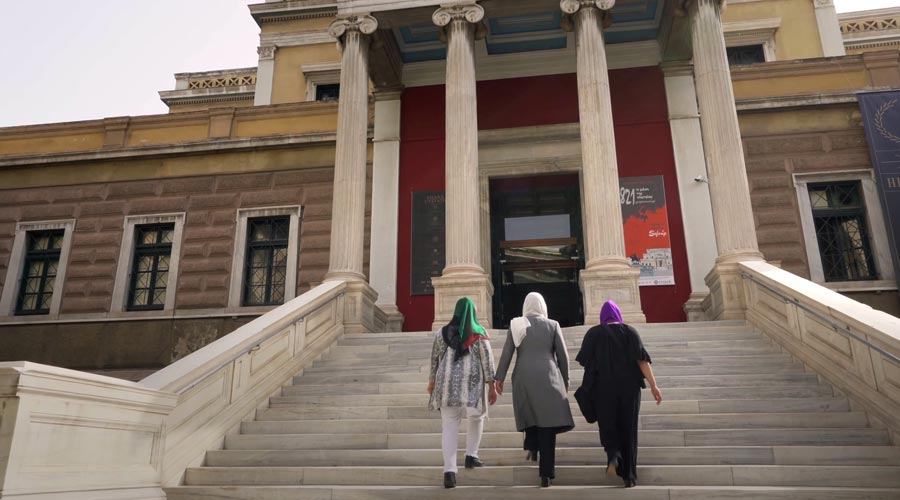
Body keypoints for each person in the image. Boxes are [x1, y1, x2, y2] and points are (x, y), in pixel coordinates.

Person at [575, 300, 662, 488]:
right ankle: (629, 476)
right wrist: (654, 385)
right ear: (618, 315)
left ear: (602, 317)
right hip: (629, 389)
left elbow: (585, 362)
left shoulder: (593, 334)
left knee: (608, 423)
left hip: (602, 389)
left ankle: (613, 454)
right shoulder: (630, 332)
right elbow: (642, 360)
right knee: (629, 428)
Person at [494, 292, 575, 487]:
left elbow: (506, 353)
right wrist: (565, 380)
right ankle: (546, 475)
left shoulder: (516, 325)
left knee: (529, 412)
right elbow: (563, 356)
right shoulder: (553, 325)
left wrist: (499, 378)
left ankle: (531, 443)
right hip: (549, 376)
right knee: (547, 424)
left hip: (523, 376)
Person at [428, 297, 498, 489]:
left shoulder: (441, 333)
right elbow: (487, 360)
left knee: (449, 426)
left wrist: (432, 382)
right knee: (476, 417)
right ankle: (471, 455)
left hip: (446, 386)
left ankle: (449, 472)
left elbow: (435, 358)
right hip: (472, 386)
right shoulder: (479, 333)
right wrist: (491, 385)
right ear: (473, 313)